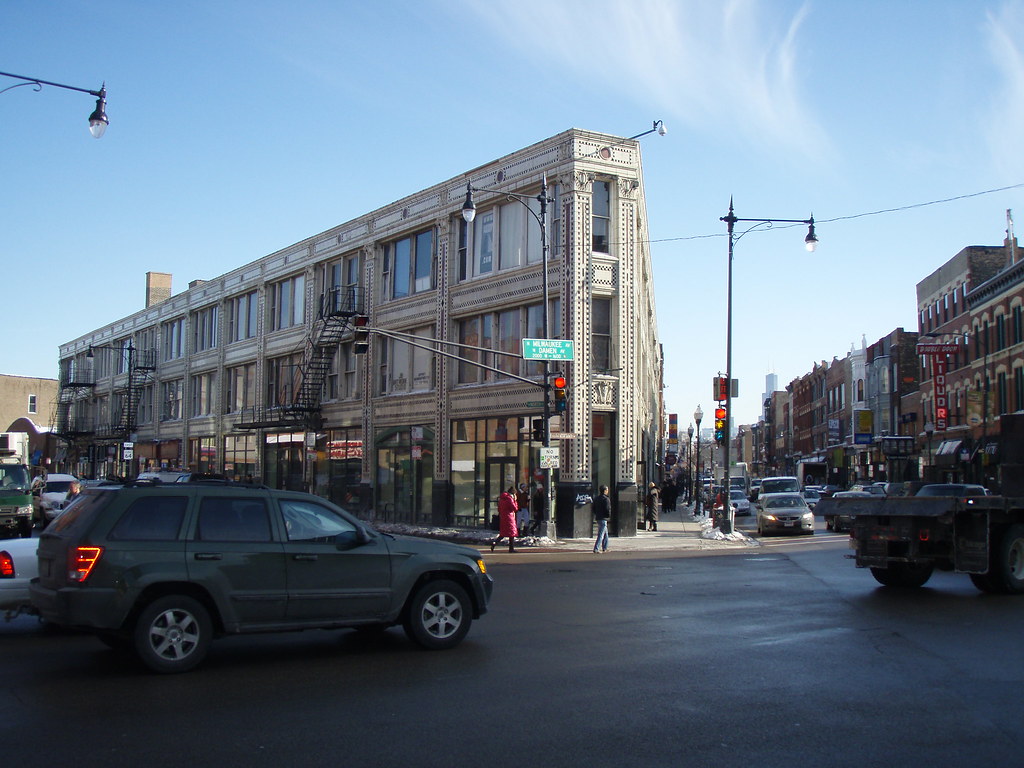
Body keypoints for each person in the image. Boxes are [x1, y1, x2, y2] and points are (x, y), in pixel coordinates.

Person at [491, 485, 519, 552]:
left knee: (503, 533)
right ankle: (511, 548)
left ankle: (495, 543)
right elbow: (515, 508)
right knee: (511, 533)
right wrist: (515, 501)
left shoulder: (502, 499)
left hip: (503, 517)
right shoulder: (510, 499)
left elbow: (499, 509)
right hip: (510, 517)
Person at [593, 485, 611, 553]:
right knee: (601, 534)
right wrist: (608, 516)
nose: (607, 491)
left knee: (605, 534)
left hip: (598, 517)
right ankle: (596, 548)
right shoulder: (606, 499)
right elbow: (607, 509)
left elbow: (594, 508)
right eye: (607, 490)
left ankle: (605, 547)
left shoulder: (597, 498)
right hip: (604, 518)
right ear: (605, 491)